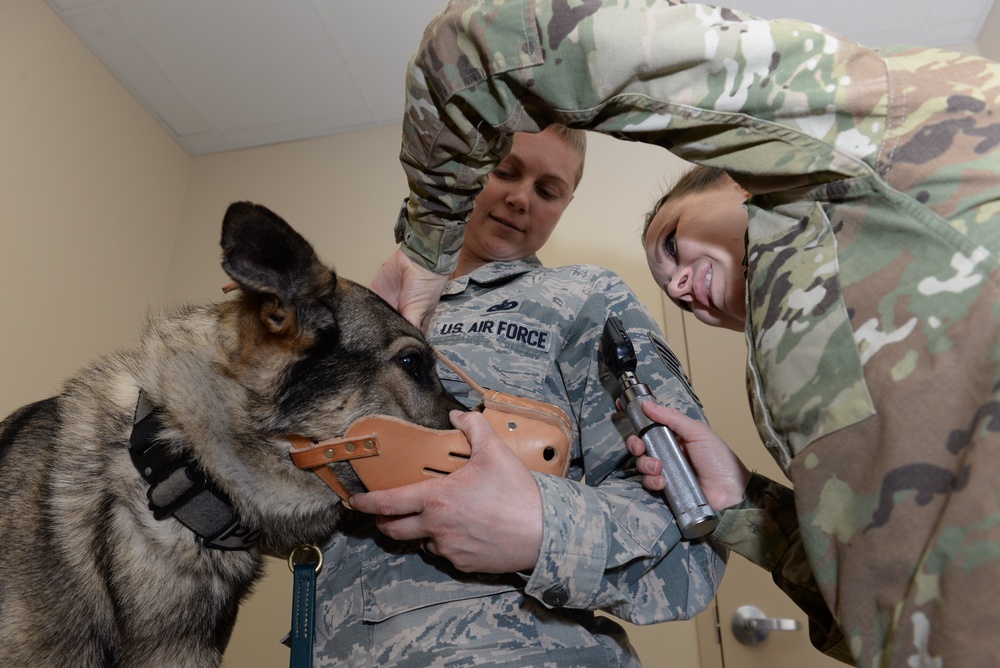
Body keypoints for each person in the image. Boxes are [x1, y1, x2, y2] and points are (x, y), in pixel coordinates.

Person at [368, 2, 1000, 666]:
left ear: (737, 175)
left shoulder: (880, 136)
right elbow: (880, 597)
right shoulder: (802, 354)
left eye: (671, 242)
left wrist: (426, 243)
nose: (674, 290)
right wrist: (744, 506)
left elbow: (498, 39)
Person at [312, 125, 725, 666]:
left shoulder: (582, 300)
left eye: (547, 190)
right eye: (504, 171)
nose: (520, 197)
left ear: (566, 204)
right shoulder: (355, 315)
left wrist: (539, 529)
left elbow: (691, 539)